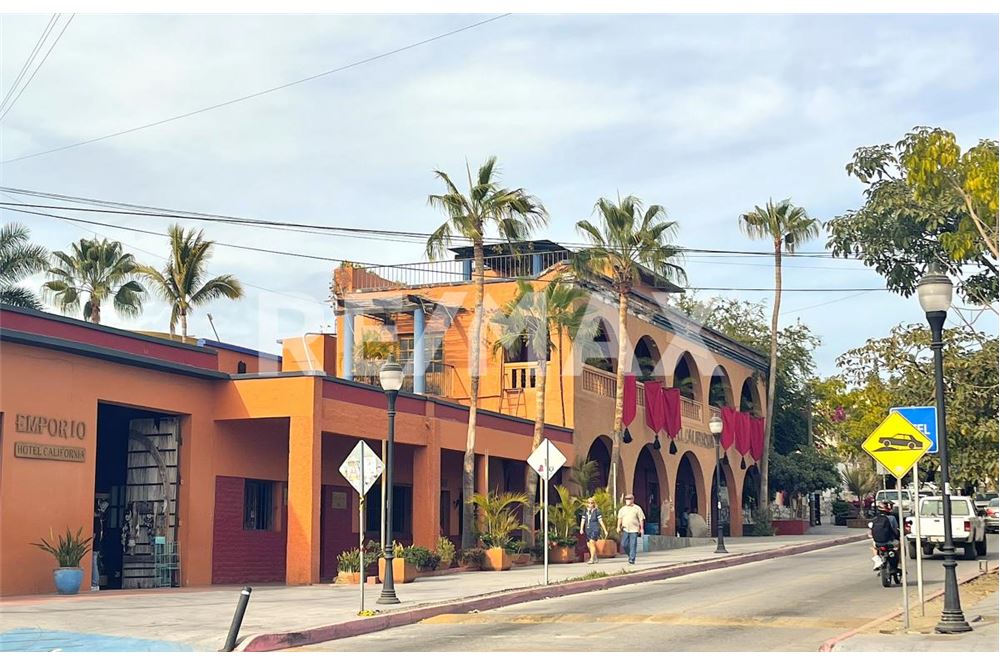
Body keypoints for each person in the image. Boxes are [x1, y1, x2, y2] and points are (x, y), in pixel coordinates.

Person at [869, 500, 900, 570]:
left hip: (878, 543)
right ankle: (900, 562)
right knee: (899, 545)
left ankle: (877, 561)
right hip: (890, 541)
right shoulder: (892, 518)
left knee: (874, 547)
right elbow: (895, 529)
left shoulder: (875, 519)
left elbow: (872, 531)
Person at [616, 494, 646, 565]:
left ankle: (632, 559)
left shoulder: (637, 508)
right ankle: (630, 554)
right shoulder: (622, 509)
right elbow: (619, 518)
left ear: (633, 499)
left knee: (633, 544)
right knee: (624, 544)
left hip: (634, 529)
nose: (627, 500)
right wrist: (618, 527)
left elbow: (641, 519)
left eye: (629, 499)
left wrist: (641, 528)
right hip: (625, 529)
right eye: (626, 499)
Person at [579, 497, 609, 564]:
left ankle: (592, 559)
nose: (590, 504)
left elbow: (601, 521)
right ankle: (595, 557)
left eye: (592, 503)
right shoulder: (585, 511)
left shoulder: (597, 511)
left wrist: (605, 530)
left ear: (594, 503)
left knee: (592, 542)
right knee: (589, 544)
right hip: (588, 529)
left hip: (595, 529)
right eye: (589, 503)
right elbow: (583, 520)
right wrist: (581, 528)